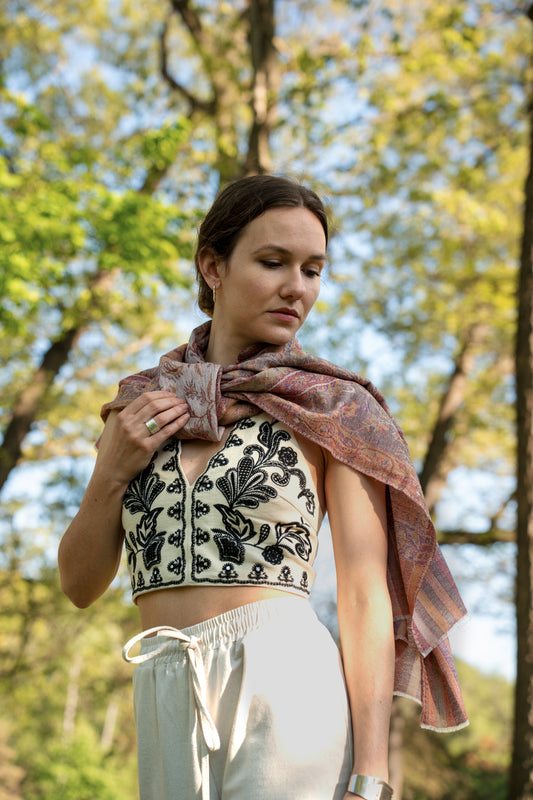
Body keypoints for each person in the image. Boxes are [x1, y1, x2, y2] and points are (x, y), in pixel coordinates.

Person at [58, 175, 468, 800]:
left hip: (285, 682)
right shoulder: (140, 407)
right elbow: (80, 586)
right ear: (212, 266)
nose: (296, 287)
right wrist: (112, 472)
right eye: (273, 262)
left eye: (313, 269)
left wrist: (374, 773)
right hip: (164, 683)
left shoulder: (334, 408)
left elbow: (363, 596)